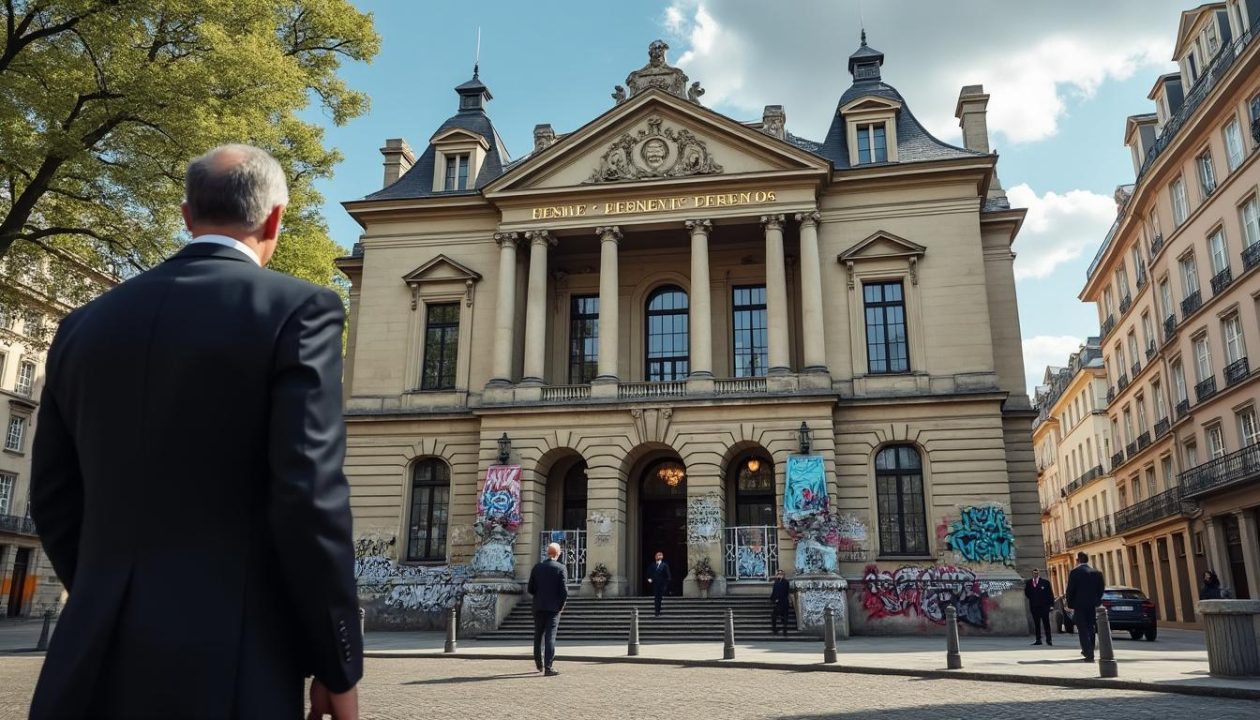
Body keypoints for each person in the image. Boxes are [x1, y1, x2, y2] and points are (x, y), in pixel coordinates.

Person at [28, 145, 362, 720]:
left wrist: (106, 594)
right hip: (230, 663)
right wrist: (336, 664)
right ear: (275, 218)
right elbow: (307, 496)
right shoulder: (299, 310)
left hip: (86, 659)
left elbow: (53, 499)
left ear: (187, 216)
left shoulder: (81, 326)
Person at [527, 543, 568, 677]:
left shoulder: (537, 567)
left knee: (538, 635)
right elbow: (564, 591)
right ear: (558, 553)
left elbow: (530, 589)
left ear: (547, 553)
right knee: (550, 636)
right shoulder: (561, 568)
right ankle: (548, 667)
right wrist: (561, 604)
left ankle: (539, 664)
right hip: (553, 608)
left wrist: (539, 597)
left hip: (538, 607)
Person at [1065, 551, 1106, 662]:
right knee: (1090, 627)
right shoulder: (1097, 573)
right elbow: (1101, 589)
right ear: (1088, 560)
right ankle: (1090, 649)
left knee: (1082, 629)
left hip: (1079, 605)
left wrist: (1070, 604)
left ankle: (1088, 652)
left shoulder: (1074, 572)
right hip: (1092, 605)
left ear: (1078, 560)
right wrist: (1096, 600)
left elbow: (1070, 590)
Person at [1024, 568, 1054, 646]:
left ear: (1039, 573)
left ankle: (1049, 639)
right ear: (1032, 574)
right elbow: (1027, 593)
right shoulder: (1029, 583)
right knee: (1037, 624)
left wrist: (1051, 605)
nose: (1035, 574)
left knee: (1046, 623)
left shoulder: (1045, 582)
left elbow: (1050, 594)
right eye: (1034, 573)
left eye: (1037, 573)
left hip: (1044, 606)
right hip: (1034, 606)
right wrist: (1033, 599)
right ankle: (1038, 639)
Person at [647, 551, 671, 617]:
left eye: (660, 555)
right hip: (655, 585)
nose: (658, 556)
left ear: (662, 557)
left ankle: (658, 611)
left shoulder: (664, 565)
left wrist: (666, 585)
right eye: (657, 555)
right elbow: (648, 573)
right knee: (656, 598)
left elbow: (668, 576)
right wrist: (649, 579)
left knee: (659, 598)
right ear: (655, 557)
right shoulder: (652, 565)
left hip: (662, 585)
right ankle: (657, 612)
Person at [770, 569, 791, 635]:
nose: (779, 575)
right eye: (778, 574)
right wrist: (773, 599)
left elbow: (785, 592)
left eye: (781, 574)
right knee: (774, 616)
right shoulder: (776, 582)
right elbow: (774, 592)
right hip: (778, 603)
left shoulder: (785, 582)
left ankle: (785, 630)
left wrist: (778, 598)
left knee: (784, 617)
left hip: (784, 602)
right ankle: (774, 629)